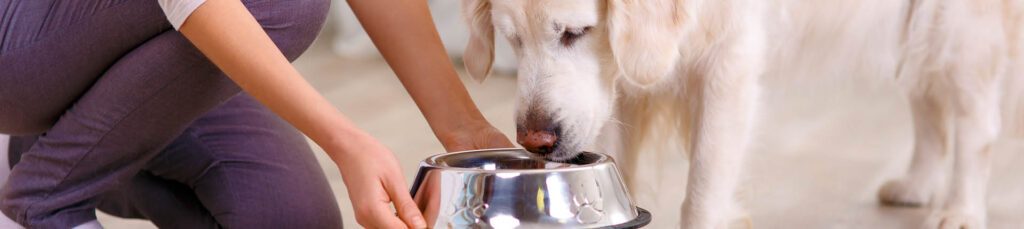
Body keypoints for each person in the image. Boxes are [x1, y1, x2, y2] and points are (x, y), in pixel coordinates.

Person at [0, 0, 512, 228]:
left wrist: (463, 130)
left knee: (289, 219)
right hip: (21, 32)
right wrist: (346, 143)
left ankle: (64, 141)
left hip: (149, 38)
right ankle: (46, 195)